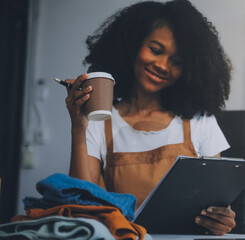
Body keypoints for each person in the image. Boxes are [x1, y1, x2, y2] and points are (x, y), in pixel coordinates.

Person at [65, 0, 235, 236]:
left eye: (177, 62)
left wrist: (221, 218)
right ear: (133, 45)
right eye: (156, 50)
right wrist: (78, 129)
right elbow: (82, 205)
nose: (163, 66)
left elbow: (215, 202)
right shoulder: (100, 120)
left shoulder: (200, 121)